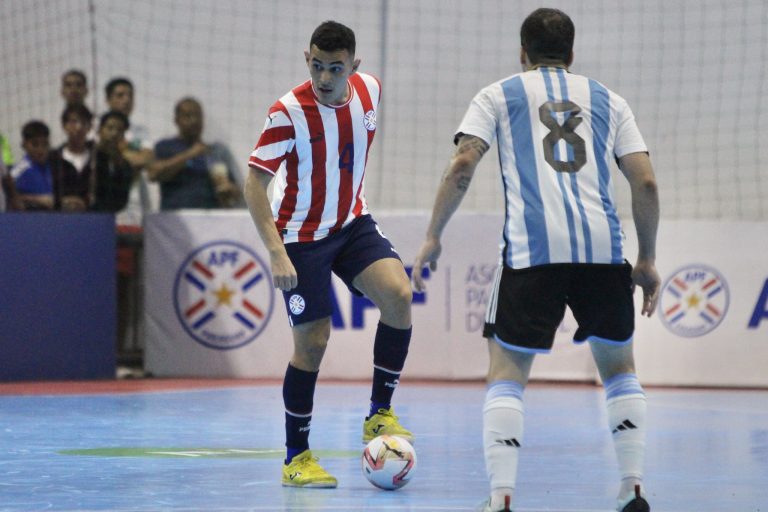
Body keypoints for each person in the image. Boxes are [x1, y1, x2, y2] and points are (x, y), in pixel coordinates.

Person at [412, 8, 659, 512]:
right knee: (619, 370)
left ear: (522, 54)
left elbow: (463, 165)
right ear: (571, 55)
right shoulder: (610, 100)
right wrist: (647, 258)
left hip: (531, 256)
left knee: (506, 373)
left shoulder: (498, 94)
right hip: (603, 254)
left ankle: (502, 497)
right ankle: (633, 486)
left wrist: (433, 235)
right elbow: (646, 182)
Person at [244, 20, 414, 489]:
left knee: (399, 295)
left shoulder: (371, 93)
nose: (323, 78)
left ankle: (379, 414)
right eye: (316, 66)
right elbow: (254, 186)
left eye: (334, 69)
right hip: (300, 238)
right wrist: (277, 253)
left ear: (353, 67)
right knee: (314, 342)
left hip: (351, 224)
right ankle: (296, 458)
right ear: (307, 59)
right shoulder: (286, 112)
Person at [148, 97, 241, 209]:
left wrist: (230, 191)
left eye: (198, 116)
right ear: (176, 120)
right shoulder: (165, 146)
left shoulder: (216, 151)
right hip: (174, 220)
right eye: (188, 116)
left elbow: (236, 192)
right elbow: (154, 174)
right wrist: (189, 154)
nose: (194, 121)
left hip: (210, 219)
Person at [104, 77, 156, 225]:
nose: (126, 100)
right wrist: (131, 155)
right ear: (108, 100)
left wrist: (119, 152)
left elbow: (146, 160)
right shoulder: (96, 130)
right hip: (106, 204)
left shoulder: (141, 132)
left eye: (130, 96)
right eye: (120, 95)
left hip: (136, 204)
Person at [60, 111, 134, 212]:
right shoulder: (85, 152)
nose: (114, 133)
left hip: (104, 218)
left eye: (120, 130)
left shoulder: (124, 166)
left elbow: (121, 201)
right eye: (110, 128)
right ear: (100, 130)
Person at [10, 120, 77, 211]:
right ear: (24, 145)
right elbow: (9, 198)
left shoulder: (56, 167)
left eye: (45, 144)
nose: (41, 149)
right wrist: (38, 200)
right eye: (35, 144)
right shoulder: (18, 172)